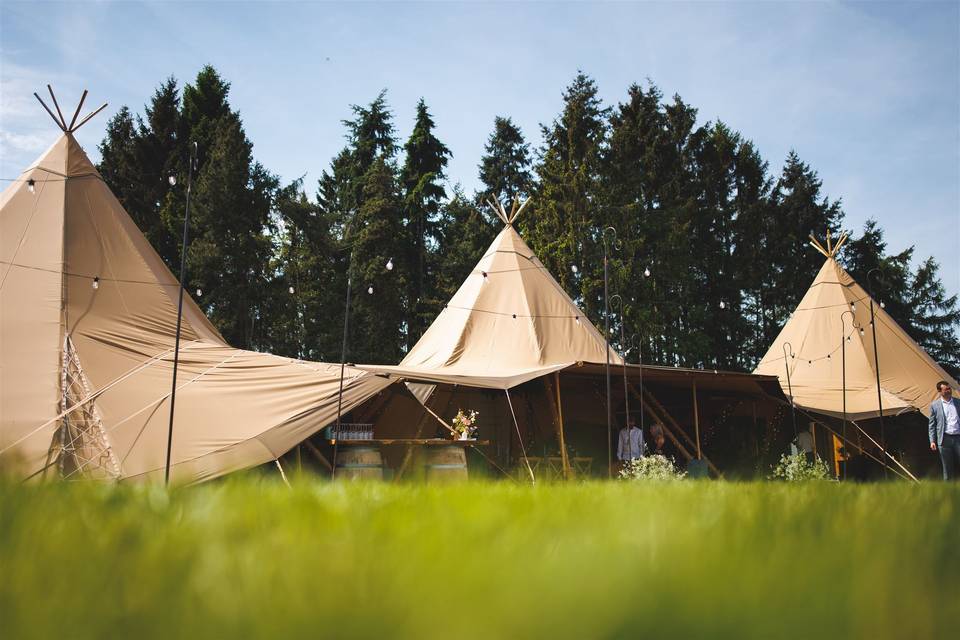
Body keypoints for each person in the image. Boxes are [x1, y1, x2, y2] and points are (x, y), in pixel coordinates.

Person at [929, 380, 960, 480]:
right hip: (944, 439)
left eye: (949, 388)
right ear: (940, 391)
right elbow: (932, 425)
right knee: (947, 467)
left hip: (958, 438)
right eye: (946, 389)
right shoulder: (934, 405)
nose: (949, 391)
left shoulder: (958, 402)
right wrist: (932, 441)